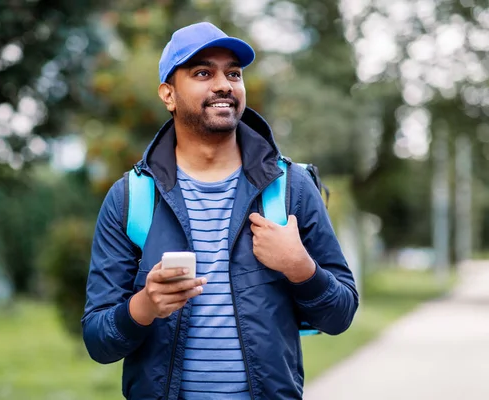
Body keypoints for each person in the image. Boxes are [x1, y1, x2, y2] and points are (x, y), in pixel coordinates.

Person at [82, 21, 359, 400]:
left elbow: (340, 315)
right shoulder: (130, 197)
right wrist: (144, 306)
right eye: (202, 73)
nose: (224, 84)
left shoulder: (291, 187)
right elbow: (98, 341)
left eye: (233, 73)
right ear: (168, 94)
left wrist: (300, 268)